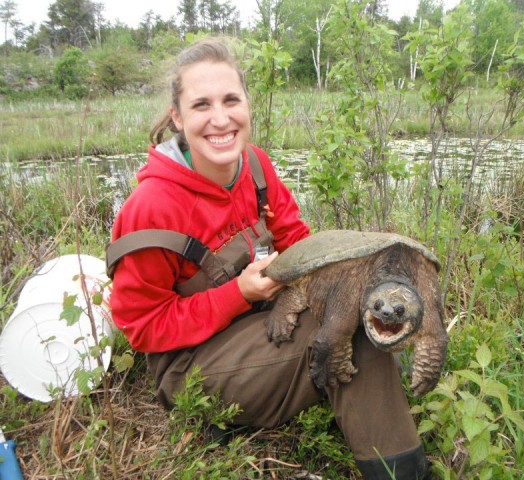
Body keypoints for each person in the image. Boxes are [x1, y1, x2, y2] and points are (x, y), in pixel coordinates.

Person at [107, 38, 430, 479]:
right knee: (342, 330)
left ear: (247, 104)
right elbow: (141, 328)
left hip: (259, 324)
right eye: (201, 105)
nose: (220, 119)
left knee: (353, 308)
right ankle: (404, 473)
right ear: (177, 117)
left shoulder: (256, 166)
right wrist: (239, 292)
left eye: (231, 100)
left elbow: (299, 242)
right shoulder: (152, 207)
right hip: (187, 366)